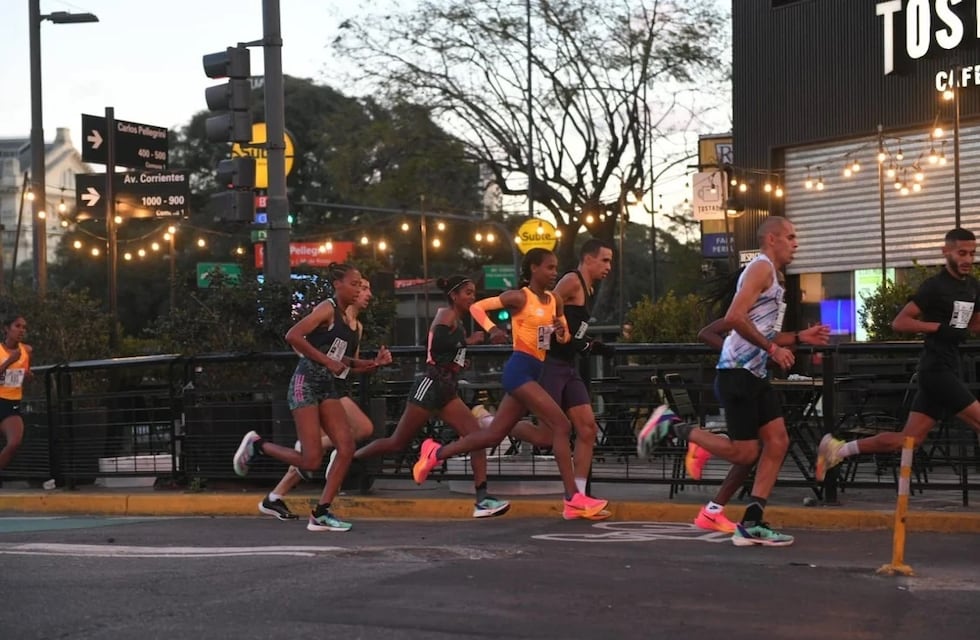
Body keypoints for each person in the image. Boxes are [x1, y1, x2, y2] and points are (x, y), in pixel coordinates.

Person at [637, 216, 830, 546]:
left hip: (754, 373)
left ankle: (753, 521)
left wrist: (798, 336)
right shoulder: (761, 269)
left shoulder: (774, 275)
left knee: (778, 441)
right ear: (771, 239)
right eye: (790, 236)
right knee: (744, 454)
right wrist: (772, 348)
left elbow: (760, 327)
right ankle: (672, 426)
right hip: (737, 373)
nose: (796, 243)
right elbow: (734, 318)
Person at [412, 248, 609, 520]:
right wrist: (493, 329)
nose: (554, 274)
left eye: (555, 268)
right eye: (549, 268)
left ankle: (435, 453)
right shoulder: (519, 297)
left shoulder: (554, 301)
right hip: (519, 371)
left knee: (493, 434)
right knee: (561, 426)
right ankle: (572, 498)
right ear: (533, 269)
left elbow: (563, 337)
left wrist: (562, 332)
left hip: (536, 371)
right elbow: (478, 307)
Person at [353, 275, 540, 518]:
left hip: (447, 391)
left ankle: (482, 498)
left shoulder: (458, 322)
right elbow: (434, 344)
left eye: (474, 293)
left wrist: (463, 353)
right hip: (430, 386)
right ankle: (350, 457)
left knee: (477, 438)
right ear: (454, 296)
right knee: (397, 442)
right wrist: (467, 342)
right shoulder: (445, 315)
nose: (473, 297)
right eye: (468, 293)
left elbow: (449, 351)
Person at [233, 262, 392, 532]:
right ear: (337, 285)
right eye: (354, 284)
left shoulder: (351, 323)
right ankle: (259, 445)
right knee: (311, 461)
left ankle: (322, 512)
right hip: (305, 384)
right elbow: (293, 335)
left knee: (346, 446)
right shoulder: (327, 308)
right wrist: (327, 363)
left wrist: (373, 363)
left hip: (327, 388)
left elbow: (342, 360)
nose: (358, 290)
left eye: (361, 285)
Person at [817, 227, 980, 480]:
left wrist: (965, 329)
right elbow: (900, 322)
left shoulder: (972, 286)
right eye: (962, 253)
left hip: (949, 366)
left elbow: (975, 324)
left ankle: (838, 449)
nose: (968, 259)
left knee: (908, 441)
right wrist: (937, 327)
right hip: (936, 369)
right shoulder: (934, 286)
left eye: (972, 253)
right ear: (946, 251)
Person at [258, 279, 379, 521]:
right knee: (361, 429)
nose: (367, 293)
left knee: (314, 454)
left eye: (367, 288)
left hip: (335, 387)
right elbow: (300, 341)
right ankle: (286, 492)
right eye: (362, 287)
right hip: (317, 385)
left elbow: (347, 362)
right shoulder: (328, 310)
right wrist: (320, 363)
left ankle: (274, 497)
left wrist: (371, 364)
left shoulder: (357, 327)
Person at [538, 238, 615, 517]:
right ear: (588, 259)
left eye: (610, 261)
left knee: (587, 429)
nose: (609, 266)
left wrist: (588, 345)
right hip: (551, 366)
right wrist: (557, 340)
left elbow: (572, 330)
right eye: (604, 260)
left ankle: (577, 500)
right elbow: (546, 310)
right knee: (548, 435)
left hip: (569, 367)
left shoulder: (588, 288)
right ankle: (491, 424)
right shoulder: (572, 281)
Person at [0, 313, 31, 472]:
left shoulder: (26, 350)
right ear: (6, 329)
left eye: (24, 327)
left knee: (14, 442)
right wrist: (9, 361)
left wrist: (28, 377)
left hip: (11, 404)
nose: (21, 330)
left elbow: (23, 380)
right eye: (17, 326)